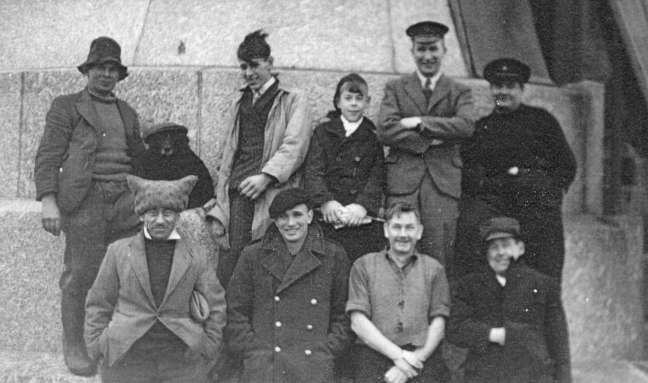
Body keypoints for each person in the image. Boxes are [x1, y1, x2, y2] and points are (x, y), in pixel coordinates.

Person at [33, 36, 145, 376]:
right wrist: (49, 201)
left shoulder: (127, 112)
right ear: (88, 70)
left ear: (119, 76)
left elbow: (140, 161)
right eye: (100, 68)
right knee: (80, 275)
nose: (107, 75)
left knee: (126, 275)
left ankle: (112, 344)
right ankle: (75, 345)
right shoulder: (67, 107)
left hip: (125, 201)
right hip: (85, 201)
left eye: (113, 69)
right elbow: (49, 155)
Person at [84, 175, 227, 382]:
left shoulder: (196, 255)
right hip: (128, 354)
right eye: (152, 213)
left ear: (178, 216)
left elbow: (216, 304)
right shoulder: (118, 252)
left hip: (181, 357)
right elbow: (98, 302)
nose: (160, 220)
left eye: (168, 213)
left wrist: (208, 346)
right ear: (141, 216)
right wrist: (97, 345)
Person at [206, 30, 313, 288]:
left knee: (267, 260)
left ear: (270, 63)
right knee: (232, 261)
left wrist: (265, 176)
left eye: (255, 65)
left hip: (273, 192)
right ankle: (227, 324)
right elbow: (229, 150)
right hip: (237, 192)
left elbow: (294, 145)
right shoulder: (240, 101)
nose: (249, 73)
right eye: (243, 67)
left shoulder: (291, 100)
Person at [454, 58, 576, 281]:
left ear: (521, 89)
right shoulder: (482, 128)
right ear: (491, 89)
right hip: (498, 206)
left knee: (543, 272)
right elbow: (472, 176)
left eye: (510, 86)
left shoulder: (542, 121)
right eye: (498, 86)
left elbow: (566, 166)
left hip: (537, 205)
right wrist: (501, 183)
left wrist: (545, 189)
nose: (504, 92)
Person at [377, 21, 475, 277]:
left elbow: (465, 126)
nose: (427, 56)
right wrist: (431, 140)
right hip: (403, 183)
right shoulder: (395, 88)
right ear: (412, 51)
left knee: (440, 252)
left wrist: (420, 123)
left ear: (444, 50)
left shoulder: (459, 91)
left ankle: (438, 315)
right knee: (398, 250)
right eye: (421, 49)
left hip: (442, 184)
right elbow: (385, 129)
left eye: (433, 49)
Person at [225, 188, 352, 383]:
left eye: (297, 215)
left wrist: (326, 351)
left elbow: (343, 315)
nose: (291, 223)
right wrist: (254, 351)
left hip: (313, 364)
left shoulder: (334, 255)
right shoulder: (253, 255)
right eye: (283, 217)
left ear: (310, 216)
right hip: (266, 364)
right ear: (275, 221)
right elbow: (235, 312)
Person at [448, 216, 571, 383]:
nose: (500, 253)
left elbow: (559, 341)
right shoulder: (470, 286)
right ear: (486, 253)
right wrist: (492, 334)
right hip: (485, 375)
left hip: (532, 375)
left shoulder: (543, 285)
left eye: (506, 245)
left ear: (520, 248)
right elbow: (455, 328)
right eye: (494, 247)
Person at [346, 202, 450, 383]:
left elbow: (439, 323)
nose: (403, 234)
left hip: (421, 358)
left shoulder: (434, 269)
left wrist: (414, 361)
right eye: (397, 227)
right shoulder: (364, 265)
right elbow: (358, 322)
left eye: (410, 228)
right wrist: (399, 356)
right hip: (373, 357)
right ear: (386, 230)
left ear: (419, 232)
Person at [304, 73, 385, 262]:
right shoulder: (323, 132)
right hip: (328, 215)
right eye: (348, 98)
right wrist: (325, 201)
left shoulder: (372, 138)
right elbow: (313, 170)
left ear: (368, 102)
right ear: (338, 102)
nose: (354, 104)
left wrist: (362, 206)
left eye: (359, 99)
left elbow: (377, 175)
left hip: (357, 217)